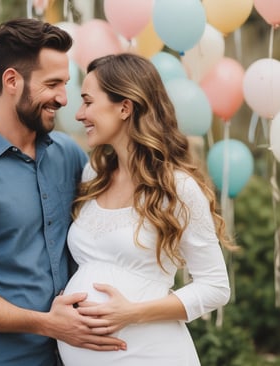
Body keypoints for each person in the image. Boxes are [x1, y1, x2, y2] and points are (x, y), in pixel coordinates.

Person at [0, 18, 126, 366]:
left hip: (75, 357)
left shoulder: (69, 155)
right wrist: (48, 325)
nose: (63, 98)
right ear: (12, 81)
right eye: (52, 84)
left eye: (65, 83)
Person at [57, 53, 236, 366]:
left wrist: (132, 313)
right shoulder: (93, 175)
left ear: (125, 107)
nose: (79, 114)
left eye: (88, 102)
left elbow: (216, 287)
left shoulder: (178, 188)